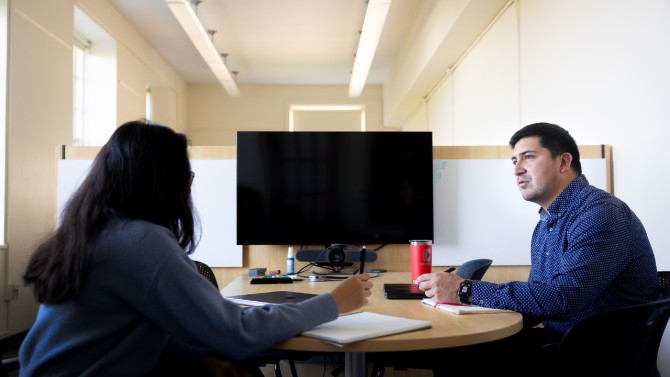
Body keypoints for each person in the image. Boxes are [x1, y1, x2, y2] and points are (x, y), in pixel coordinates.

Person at [19, 119, 373, 377]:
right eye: (185, 178)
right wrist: (332, 303)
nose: (187, 190)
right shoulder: (139, 241)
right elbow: (237, 333)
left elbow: (125, 331)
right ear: (161, 183)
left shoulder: (92, 232)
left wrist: (198, 357)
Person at [415, 122, 658, 374]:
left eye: (528, 157)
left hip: (595, 356)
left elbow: (563, 300)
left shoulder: (601, 214)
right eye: (513, 161)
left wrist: (464, 288)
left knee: (458, 356)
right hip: (564, 341)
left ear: (563, 162)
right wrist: (472, 307)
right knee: (458, 346)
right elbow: (540, 300)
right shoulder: (547, 222)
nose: (517, 169)